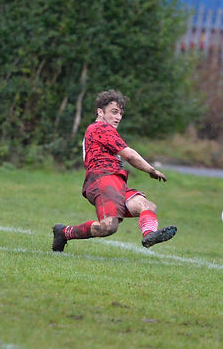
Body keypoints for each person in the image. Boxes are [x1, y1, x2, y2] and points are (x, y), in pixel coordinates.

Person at [52, 89, 177, 252]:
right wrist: (151, 170)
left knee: (146, 206)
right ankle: (63, 232)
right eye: (114, 112)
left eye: (120, 113)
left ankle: (149, 235)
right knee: (108, 227)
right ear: (100, 111)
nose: (118, 117)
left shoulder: (99, 130)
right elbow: (129, 155)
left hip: (115, 181)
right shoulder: (100, 128)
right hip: (103, 180)